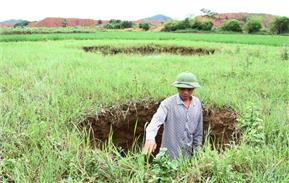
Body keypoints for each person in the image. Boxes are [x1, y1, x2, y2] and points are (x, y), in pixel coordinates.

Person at [143, 72, 203, 160]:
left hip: (187, 156)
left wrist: (198, 152)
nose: (186, 92)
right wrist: (150, 138)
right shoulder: (167, 104)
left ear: (193, 89)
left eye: (189, 89)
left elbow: (198, 131)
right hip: (169, 156)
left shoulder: (197, 103)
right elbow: (156, 121)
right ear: (177, 88)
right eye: (182, 89)